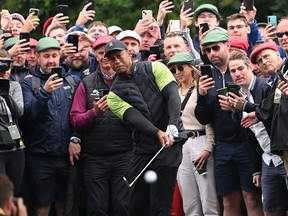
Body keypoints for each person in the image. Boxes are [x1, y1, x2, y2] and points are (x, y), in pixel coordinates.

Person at [105, 39, 187, 215]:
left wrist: (172, 123)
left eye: (119, 56)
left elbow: (172, 95)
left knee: (160, 203)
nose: (117, 61)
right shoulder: (113, 95)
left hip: (171, 142)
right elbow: (135, 118)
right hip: (144, 146)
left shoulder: (155, 68)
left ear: (129, 53)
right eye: (112, 59)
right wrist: (157, 132)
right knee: (135, 205)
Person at [195, 27, 263, 216]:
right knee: (228, 199)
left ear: (227, 45)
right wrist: (201, 95)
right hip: (223, 145)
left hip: (247, 142)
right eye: (207, 50)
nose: (212, 54)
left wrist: (240, 107)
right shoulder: (207, 76)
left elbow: (261, 107)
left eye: (215, 48)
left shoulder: (241, 69)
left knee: (251, 197)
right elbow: (203, 117)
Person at [70, 35, 133, 216]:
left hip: (125, 155)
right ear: (95, 56)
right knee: (96, 208)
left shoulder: (130, 80)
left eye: (112, 55)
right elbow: (75, 119)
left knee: (123, 206)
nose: (107, 59)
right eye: (101, 53)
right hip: (95, 157)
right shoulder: (86, 83)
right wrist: (94, 113)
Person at [20, 37, 80, 216]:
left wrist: (75, 137)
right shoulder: (29, 82)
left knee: (64, 204)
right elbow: (27, 117)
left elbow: (78, 115)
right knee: (42, 205)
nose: (51, 60)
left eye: (54, 55)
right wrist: (45, 93)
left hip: (66, 156)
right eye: (46, 56)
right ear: (37, 57)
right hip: (40, 156)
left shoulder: (72, 80)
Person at [228, 53, 288, 215]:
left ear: (251, 68)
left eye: (241, 69)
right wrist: (256, 169)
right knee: (271, 211)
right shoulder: (237, 96)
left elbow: (274, 116)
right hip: (267, 161)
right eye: (233, 71)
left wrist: (246, 106)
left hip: (284, 154)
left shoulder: (266, 86)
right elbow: (249, 137)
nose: (237, 74)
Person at [167, 52, 220, 215]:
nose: (177, 72)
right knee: (189, 201)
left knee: (208, 197)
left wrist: (208, 148)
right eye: (173, 69)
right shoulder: (172, 92)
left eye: (181, 67)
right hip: (180, 145)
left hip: (200, 140)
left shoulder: (201, 90)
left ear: (191, 68)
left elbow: (209, 121)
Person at [0, 49, 24, 196]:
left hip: (15, 146)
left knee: (15, 194)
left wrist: (6, 94)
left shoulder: (15, 86)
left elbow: (19, 113)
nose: (4, 71)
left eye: (6, 66)